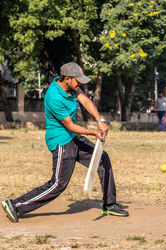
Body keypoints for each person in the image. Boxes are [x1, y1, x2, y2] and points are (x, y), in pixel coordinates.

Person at [1, 62, 128, 223]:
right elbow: (70, 125)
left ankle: (109, 204)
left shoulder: (71, 87)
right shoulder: (54, 97)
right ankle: (15, 205)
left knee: (103, 158)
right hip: (61, 141)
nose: (80, 84)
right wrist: (94, 132)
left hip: (73, 137)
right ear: (67, 79)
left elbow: (85, 101)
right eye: (78, 80)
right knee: (58, 184)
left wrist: (99, 120)